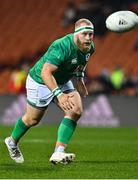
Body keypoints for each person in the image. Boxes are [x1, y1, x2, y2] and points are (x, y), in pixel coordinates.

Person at [5, 18, 95, 165]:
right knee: (32, 120)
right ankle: (12, 141)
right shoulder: (61, 46)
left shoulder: (90, 47)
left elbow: (81, 63)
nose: (88, 38)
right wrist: (59, 94)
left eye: (91, 34)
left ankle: (58, 152)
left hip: (62, 80)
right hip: (40, 81)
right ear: (76, 34)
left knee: (76, 110)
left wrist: (79, 79)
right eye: (85, 34)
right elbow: (45, 73)